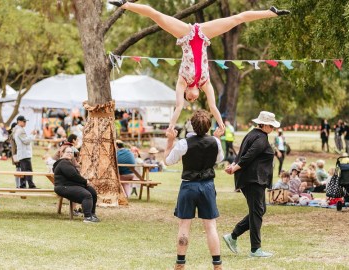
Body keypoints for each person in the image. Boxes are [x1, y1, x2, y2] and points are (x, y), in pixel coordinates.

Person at [109, 0, 290, 131]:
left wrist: (171, 126)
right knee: (237, 19)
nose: (192, 99)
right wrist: (221, 125)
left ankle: (125, 4)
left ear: (187, 93)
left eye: (190, 98)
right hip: (203, 35)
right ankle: (271, 13)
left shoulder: (182, 81)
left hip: (186, 34)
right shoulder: (205, 82)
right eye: (193, 99)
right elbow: (213, 107)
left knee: (157, 15)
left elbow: (178, 106)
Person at [164, 109, 224, 270]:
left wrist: (170, 141)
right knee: (211, 226)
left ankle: (180, 263)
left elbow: (168, 161)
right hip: (207, 185)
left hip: (188, 185)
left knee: (184, 225)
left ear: (191, 125)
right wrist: (216, 139)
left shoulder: (183, 143)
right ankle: (217, 264)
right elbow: (220, 159)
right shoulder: (215, 142)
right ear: (208, 125)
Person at [223, 111, 280, 258]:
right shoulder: (260, 138)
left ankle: (233, 236)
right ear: (265, 125)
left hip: (252, 179)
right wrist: (234, 167)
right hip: (253, 180)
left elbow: (241, 153)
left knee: (259, 211)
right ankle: (255, 249)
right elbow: (248, 156)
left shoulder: (252, 134)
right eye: (271, 125)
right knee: (257, 212)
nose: (273, 128)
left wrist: (234, 164)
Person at [53, 145, 99, 223]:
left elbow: (74, 177)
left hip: (71, 185)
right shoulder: (63, 162)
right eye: (68, 152)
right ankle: (87, 217)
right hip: (63, 187)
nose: (70, 154)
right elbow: (73, 176)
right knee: (86, 195)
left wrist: (84, 184)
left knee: (92, 192)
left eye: (71, 152)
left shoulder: (68, 162)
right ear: (62, 153)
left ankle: (92, 214)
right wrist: (85, 181)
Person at [14, 115, 37, 189]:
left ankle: (23, 185)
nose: (25, 123)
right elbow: (26, 141)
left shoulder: (17, 129)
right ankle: (31, 185)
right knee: (28, 170)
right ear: (19, 122)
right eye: (24, 121)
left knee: (23, 171)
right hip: (25, 154)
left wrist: (30, 135)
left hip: (22, 153)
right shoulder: (20, 130)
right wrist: (32, 135)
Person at [8, 122, 21, 188]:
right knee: (19, 170)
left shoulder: (11, 134)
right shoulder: (13, 134)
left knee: (18, 169)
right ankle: (18, 185)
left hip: (15, 154)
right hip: (17, 154)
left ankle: (18, 185)